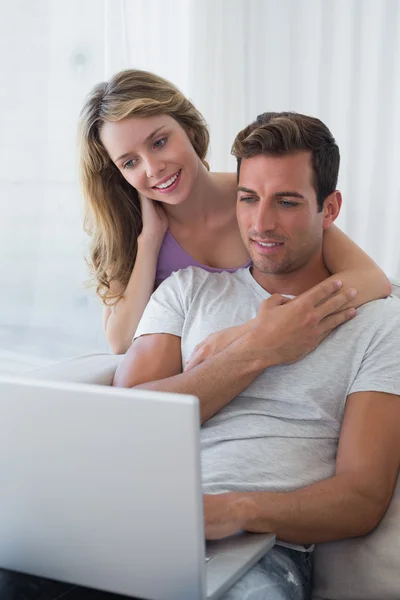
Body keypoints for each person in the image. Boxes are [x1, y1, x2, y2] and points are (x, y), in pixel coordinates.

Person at [113, 112, 400, 600]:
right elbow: (128, 422)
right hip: (138, 524)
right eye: (248, 198)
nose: (262, 223)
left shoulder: (380, 323)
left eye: (287, 202)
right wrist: (256, 349)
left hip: (261, 552)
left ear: (329, 208)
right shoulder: (187, 292)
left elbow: (362, 498)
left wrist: (234, 510)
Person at [78, 70, 390, 354]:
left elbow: (371, 278)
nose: (153, 167)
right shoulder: (130, 229)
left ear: (188, 128)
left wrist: (263, 330)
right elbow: (120, 341)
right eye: (130, 162)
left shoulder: (255, 201)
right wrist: (150, 241)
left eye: (159, 142)